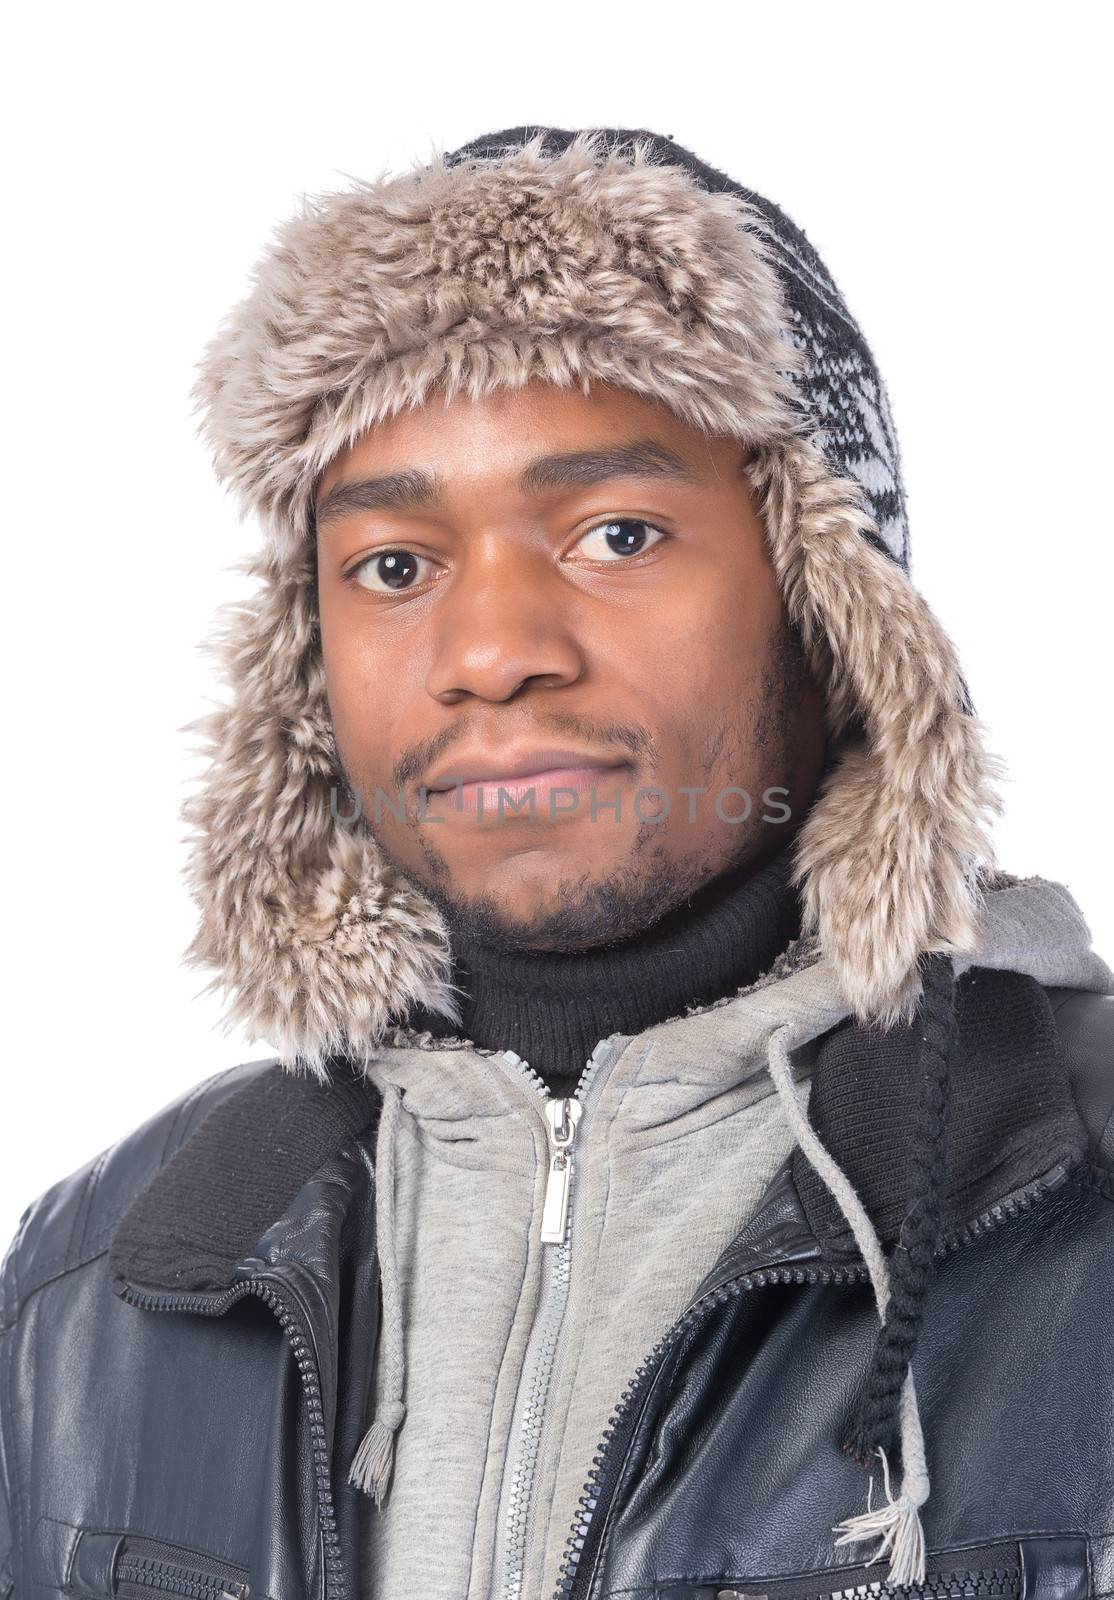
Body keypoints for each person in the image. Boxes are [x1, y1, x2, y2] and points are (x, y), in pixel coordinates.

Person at [1, 126, 1111, 1600]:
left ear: (829, 602)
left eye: (615, 532)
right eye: (394, 566)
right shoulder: (105, 1284)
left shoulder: (1072, 1204)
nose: (490, 653)